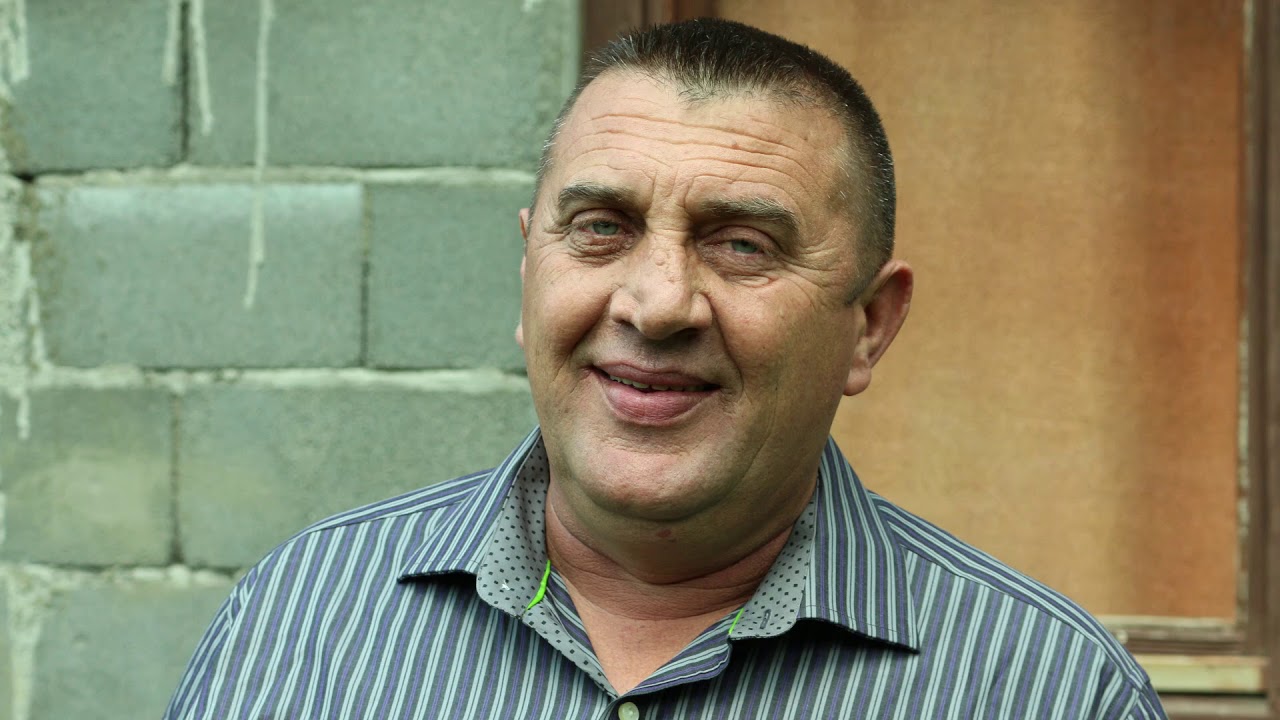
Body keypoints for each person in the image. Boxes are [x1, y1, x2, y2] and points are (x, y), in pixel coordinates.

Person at [165, 18, 1166, 719]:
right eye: (601, 228)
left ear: (868, 326)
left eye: (742, 245)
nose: (655, 304)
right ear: (529, 269)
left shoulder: (1049, 690)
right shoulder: (303, 621)